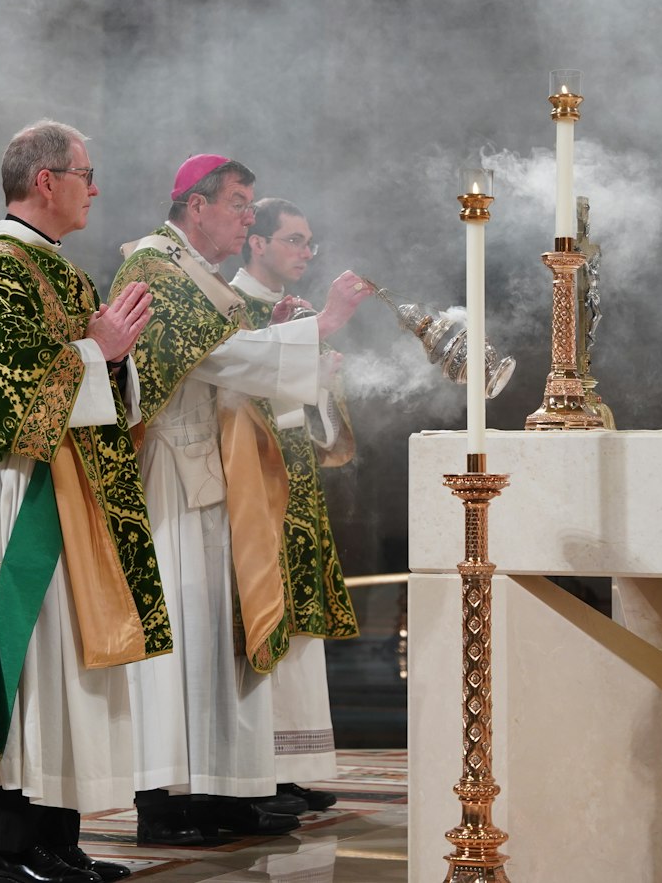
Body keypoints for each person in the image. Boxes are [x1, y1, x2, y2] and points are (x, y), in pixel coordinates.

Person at [0, 120, 169, 883]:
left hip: (72, 496)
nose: (96, 188)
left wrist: (112, 361)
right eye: (86, 172)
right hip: (22, 495)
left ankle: (58, 842)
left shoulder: (59, 269)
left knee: (68, 672)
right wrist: (99, 353)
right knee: (29, 668)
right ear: (45, 181)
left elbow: (98, 382)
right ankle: (14, 851)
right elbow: (0, 403)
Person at [109, 155, 372, 845]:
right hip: (175, 472)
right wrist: (318, 329)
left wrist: (286, 335)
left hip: (216, 476)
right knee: (181, 644)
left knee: (216, 640)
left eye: (251, 203)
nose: (247, 216)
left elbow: (231, 350)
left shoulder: (194, 275)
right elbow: (220, 360)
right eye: (237, 202)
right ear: (195, 206)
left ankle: (222, 789)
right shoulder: (155, 268)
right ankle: (165, 800)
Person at [230, 198, 360, 813]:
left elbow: (330, 438)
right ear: (256, 242)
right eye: (294, 240)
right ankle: (255, 769)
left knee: (300, 631)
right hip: (251, 486)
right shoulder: (228, 307)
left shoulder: (303, 314)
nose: (307, 252)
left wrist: (325, 384)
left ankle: (292, 766)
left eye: (311, 242)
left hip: (299, 489)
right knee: (260, 622)